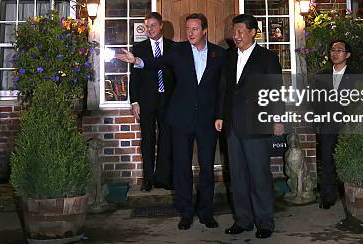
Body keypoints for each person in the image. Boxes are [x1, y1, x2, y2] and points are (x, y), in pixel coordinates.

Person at [117, 13, 226, 231]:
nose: (190, 33)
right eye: (188, 29)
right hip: (181, 119)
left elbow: (222, 89)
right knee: (182, 168)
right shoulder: (178, 51)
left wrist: (220, 115)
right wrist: (137, 61)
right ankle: (185, 212)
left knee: (206, 169)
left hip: (207, 121)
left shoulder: (219, 54)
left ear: (205, 30)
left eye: (195, 29)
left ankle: (206, 212)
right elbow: (156, 62)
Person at [215, 14, 284, 240]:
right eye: (234, 32)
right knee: (237, 175)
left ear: (253, 32)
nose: (236, 36)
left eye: (241, 32)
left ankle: (265, 222)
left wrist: (277, 119)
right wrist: (220, 116)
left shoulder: (268, 57)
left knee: (259, 175)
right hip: (233, 125)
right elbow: (223, 89)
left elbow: (274, 90)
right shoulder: (228, 56)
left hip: (257, 124)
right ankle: (242, 220)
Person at [129, 12, 175, 192]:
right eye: (147, 26)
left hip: (168, 100)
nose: (149, 29)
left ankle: (163, 178)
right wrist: (134, 102)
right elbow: (134, 78)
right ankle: (148, 179)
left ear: (161, 25)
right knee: (147, 140)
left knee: (167, 139)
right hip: (147, 101)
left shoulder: (173, 47)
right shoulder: (138, 48)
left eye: (153, 25)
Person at [314, 39, 357, 210]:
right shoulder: (321, 76)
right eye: (333, 50)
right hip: (327, 125)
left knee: (349, 161)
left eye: (339, 50)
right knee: (327, 161)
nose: (335, 53)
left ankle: (352, 195)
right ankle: (328, 197)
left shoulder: (355, 76)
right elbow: (316, 101)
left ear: (347, 55)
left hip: (348, 125)